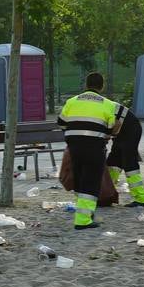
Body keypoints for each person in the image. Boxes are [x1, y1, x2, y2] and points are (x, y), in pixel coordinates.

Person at [58, 72, 119, 230]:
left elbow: (61, 123)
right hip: (94, 147)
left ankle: (84, 212)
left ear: (86, 85)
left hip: (74, 146)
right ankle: (83, 220)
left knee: (79, 178)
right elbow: (112, 128)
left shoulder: (72, 101)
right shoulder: (108, 104)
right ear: (102, 86)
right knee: (91, 181)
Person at [106, 92, 144, 208]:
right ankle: (106, 195)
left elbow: (116, 124)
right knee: (113, 162)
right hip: (122, 129)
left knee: (129, 163)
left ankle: (141, 199)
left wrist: (105, 137)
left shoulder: (94, 108)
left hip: (130, 128)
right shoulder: (96, 104)